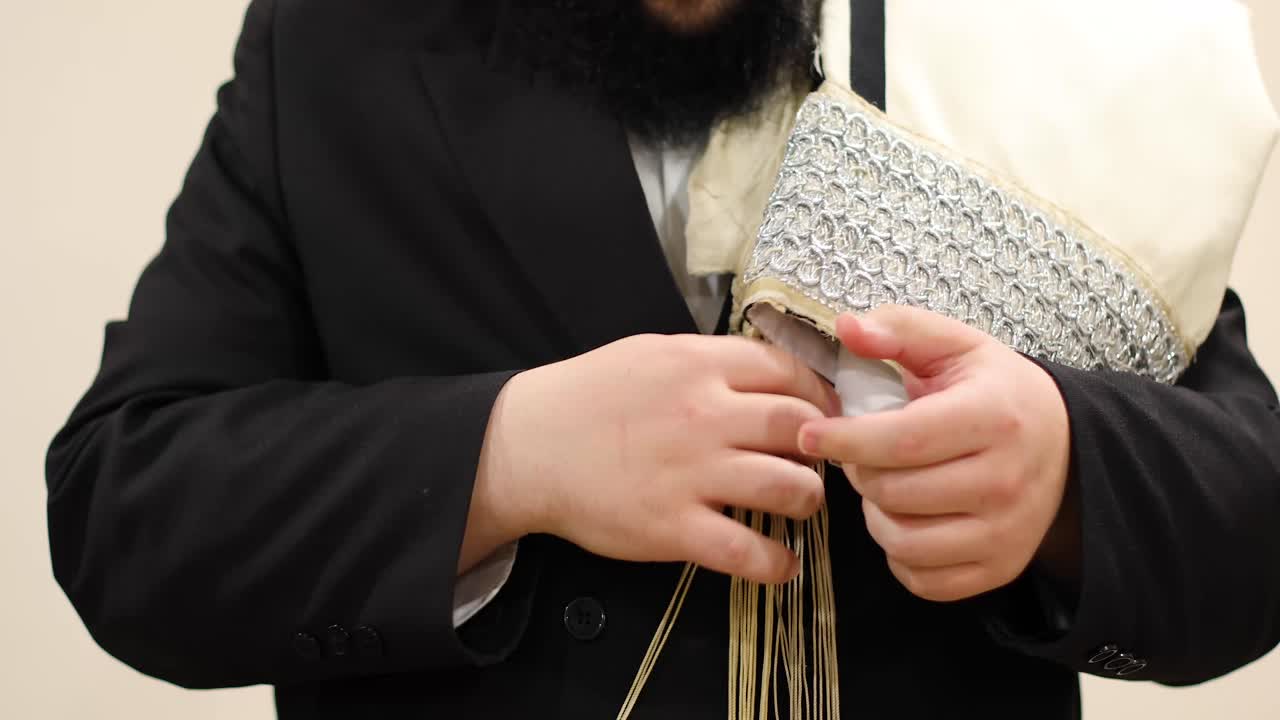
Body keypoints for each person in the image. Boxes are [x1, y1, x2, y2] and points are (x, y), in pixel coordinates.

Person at [46, 1, 1280, 718]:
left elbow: (1251, 526)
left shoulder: (1005, 41)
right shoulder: (337, 42)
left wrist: (1064, 475)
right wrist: (504, 457)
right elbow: (126, 509)